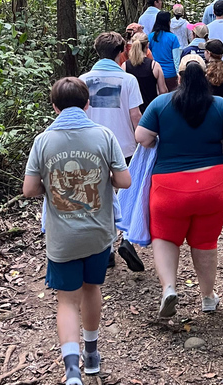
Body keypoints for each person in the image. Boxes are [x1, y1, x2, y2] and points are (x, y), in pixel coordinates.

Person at [22, 77, 132, 385]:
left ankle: (72, 370)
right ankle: (93, 354)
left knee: (66, 301)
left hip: (62, 237)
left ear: (54, 106)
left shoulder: (43, 141)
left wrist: (54, 187)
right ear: (87, 104)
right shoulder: (104, 135)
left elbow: (29, 189)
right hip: (98, 233)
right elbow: (123, 181)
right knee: (91, 289)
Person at [134, 55, 223, 318]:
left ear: (179, 77)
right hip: (212, 185)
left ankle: (169, 288)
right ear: (204, 76)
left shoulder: (161, 103)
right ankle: (207, 297)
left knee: (166, 237)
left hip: (168, 186)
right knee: (205, 241)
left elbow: (142, 137)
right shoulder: (220, 105)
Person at [79, 32, 145, 271]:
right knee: (127, 194)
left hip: (91, 148)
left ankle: (105, 249)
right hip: (124, 146)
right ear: (121, 52)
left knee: (101, 196)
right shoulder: (128, 80)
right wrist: (144, 143)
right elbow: (135, 115)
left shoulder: (82, 80)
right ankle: (126, 238)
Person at [122, 32, 168, 112]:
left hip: (132, 111)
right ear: (147, 45)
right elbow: (163, 91)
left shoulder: (125, 66)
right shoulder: (154, 66)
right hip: (151, 110)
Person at [149, 11, 182, 91]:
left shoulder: (151, 37)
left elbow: (148, 55)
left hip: (155, 73)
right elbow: (176, 59)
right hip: (170, 74)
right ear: (168, 22)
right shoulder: (173, 38)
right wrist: (179, 75)